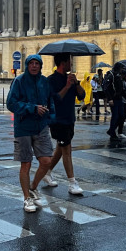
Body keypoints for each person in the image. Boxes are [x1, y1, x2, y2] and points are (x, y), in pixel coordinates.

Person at [6, 54, 56, 213]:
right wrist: (32, 107)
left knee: (47, 161)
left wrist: (50, 118)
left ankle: (33, 187)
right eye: (31, 63)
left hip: (41, 126)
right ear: (27, 65)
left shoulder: (44, 81)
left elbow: (51, 102)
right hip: (23, 127)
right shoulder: (19, 81)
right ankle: (27, 198)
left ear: (41, 66)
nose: (34, 66)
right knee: (26, 163)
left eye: (37, 63)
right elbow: (11, 103)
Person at [43, 53, 85, 195]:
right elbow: (55, 99)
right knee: (67, 149)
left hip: (69, 119)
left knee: (61, 148)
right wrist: (67, 86)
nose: (71, 64)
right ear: (62, 63)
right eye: (69, 61)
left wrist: (76, 83)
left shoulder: (71, 79)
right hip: (58, 120)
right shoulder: (51, 80)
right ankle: (72, 183)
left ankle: (47, 172)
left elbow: (82, 96)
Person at [106, 62, 126, 141]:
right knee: (115, 116)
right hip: (114, 99)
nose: (122, 70)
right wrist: (110, 99)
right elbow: (107, 88)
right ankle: (112, 133)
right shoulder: (111, 75)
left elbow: (120, 88)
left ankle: (111, 130)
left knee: (122, 115)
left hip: (119, 98)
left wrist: (125, 97)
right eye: (121, 68)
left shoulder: (118, 76)